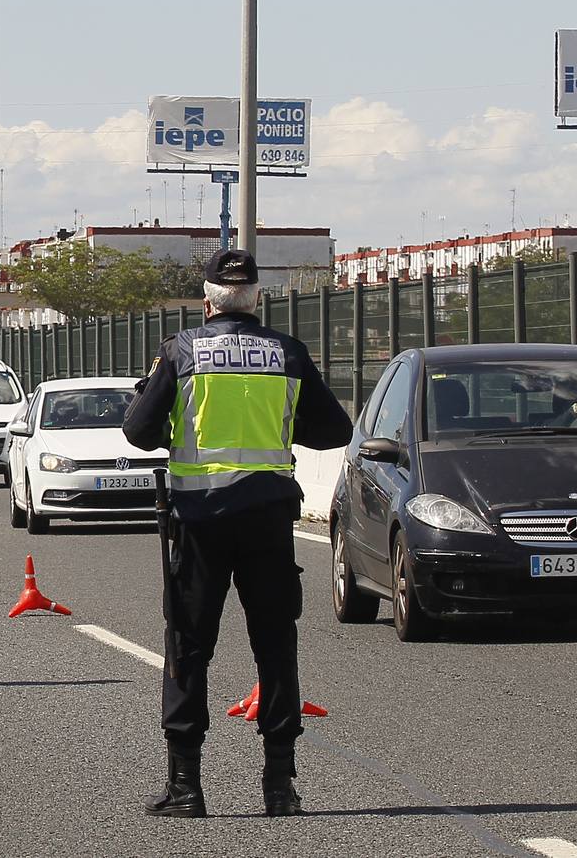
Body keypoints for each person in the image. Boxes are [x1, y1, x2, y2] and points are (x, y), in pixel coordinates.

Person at [122, 249, 354, 818]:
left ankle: (186, 787)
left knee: (188, 647)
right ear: (255, 299)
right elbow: (335, 430)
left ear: (207, 302)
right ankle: (279, 786)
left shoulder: (181, 352)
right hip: (270, 518)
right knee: (275, 647)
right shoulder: (287, 354)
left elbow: (138, 432)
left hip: (200, 522)